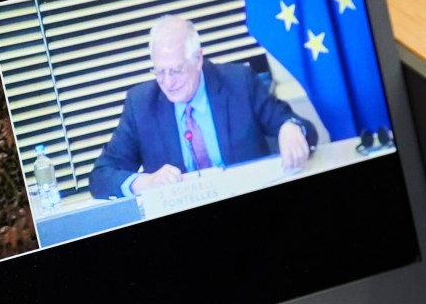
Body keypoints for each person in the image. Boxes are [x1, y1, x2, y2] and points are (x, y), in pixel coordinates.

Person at [88, 15, 317, 199]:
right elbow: (101, 177)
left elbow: (302, 127)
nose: (167, 82)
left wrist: (290, 128)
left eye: (176, 70)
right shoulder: (141, 104)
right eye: (159, 71)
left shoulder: (239, 82)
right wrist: (144, 182)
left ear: (198, 59)